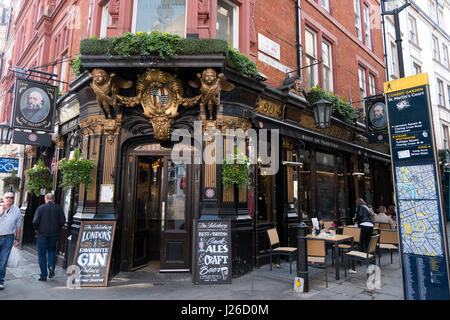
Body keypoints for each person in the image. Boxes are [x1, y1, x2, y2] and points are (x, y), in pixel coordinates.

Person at [32, 193, 66, 281]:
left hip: (41, 234)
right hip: (54, 234)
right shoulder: (59, 208)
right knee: (52, 251)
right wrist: (57, 227)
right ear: (53, 199)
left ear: (45, 199)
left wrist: (37, 229)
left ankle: (43, 275)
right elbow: (63, 221)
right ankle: (51, 267)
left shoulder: (40, 208)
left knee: (41, 255)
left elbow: (35, 221)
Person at [0, 192, 22, 290]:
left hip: (8, 238)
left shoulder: (17, 211)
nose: (9, 199)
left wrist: (17, 239)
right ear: (3, 198)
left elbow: (18, 226)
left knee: (3, 260)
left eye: (11, 198)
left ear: (13, 199)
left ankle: (0, 281)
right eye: (7, 197)